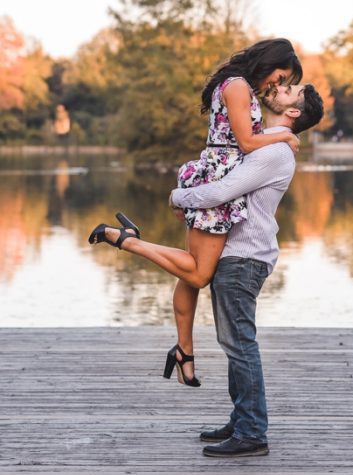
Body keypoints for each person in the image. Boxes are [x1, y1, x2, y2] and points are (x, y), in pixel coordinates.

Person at [90, 81, 324, 458]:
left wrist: (178, 197)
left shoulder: (275, 151)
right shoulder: (266, 141)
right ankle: (242, 419)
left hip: (244, 258)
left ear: (293, 112)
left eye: (288, 90)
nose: (279, 87)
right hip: (238, 255)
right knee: (234, 344)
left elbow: (221, 192)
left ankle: (252, 432)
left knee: (239, 344)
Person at [88, 39, 304, 388]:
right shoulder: (236, 87)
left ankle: (184, 353)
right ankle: (127, 242)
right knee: (200, 273)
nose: (276, 85)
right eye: (280, 77)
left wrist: (276, 136)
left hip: (218, 173)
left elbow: (245, 139)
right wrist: (284, 138)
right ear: (268, 63)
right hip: (219, 179)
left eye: (284, 82)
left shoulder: (239, 87)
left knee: (190, 271)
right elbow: (247, 142)